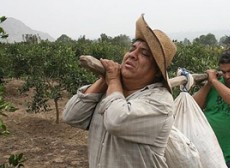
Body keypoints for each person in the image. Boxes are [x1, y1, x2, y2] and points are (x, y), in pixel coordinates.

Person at [63, 14, 177, 168]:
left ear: (157, 71)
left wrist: (114, 80)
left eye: (144, 53)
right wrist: (105, 80)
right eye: (132, 48)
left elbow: (116, 120)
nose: (132, 55)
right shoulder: (111, 89)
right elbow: (72, 116)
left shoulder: (160, 102)